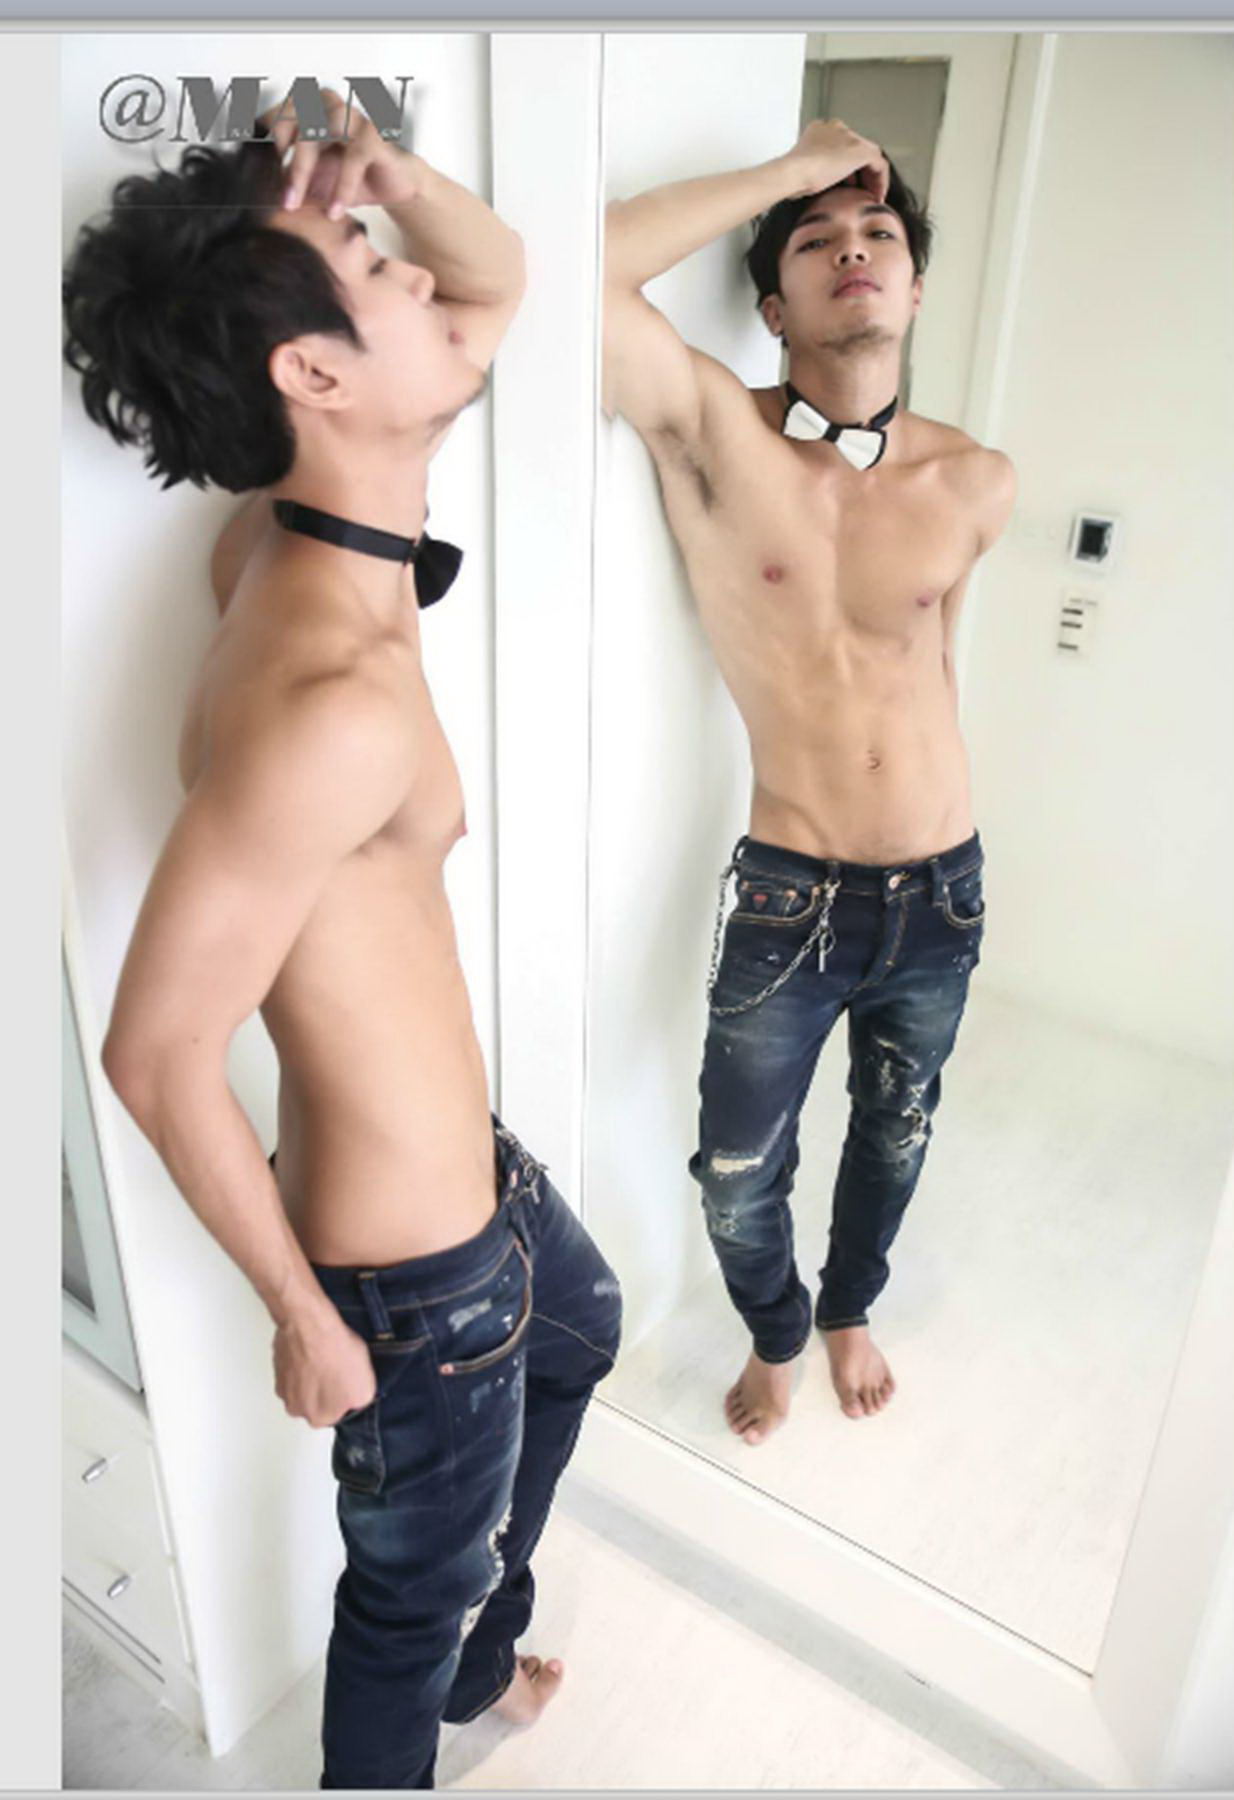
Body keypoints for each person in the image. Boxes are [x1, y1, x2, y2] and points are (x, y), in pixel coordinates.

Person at [64, 92, 621, 1789]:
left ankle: (474, 1657)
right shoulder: (328, 696)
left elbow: (501, 278)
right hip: (411, 1278)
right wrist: (305, 1317)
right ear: (313, 374)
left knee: (584, 1328)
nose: (423, 278)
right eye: (376, 265)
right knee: (401, 1604)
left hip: (473, 1186)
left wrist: (383, 173)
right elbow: (155, 1054)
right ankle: (436, 1682)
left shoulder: (305, 534)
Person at [602, 117, 1015, 1447]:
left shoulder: (977, 481)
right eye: (818, 241)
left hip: (942, 889)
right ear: (773, 309)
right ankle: (776, 1328)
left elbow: (930, 670)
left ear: (915, 288)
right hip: (793, 894)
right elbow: (584, 272)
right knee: (735, 1171)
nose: (854, 251)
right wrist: (794, 171)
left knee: (896, 1132)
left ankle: (849, 1309)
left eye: (878, 234)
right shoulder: (717, 438)